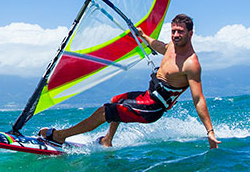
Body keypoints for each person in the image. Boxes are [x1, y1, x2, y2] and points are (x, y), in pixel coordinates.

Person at [39, 14, 220, 149]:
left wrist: (209, 132)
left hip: (152, 108)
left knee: (106, 112)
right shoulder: (172, 46)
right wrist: (143, 36)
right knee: (116, 99)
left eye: (180, 32)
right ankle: (107, 140)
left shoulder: (191, 63)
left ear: (191, 33)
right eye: (173, 31)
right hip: (147, 96)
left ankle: (59, 136)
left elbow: (198, 99)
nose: (175, 35)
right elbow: (160, 46)